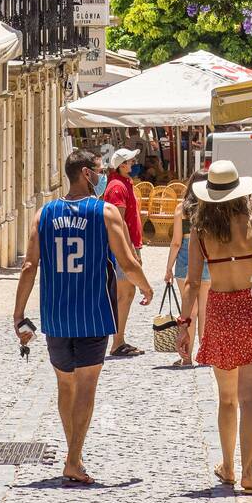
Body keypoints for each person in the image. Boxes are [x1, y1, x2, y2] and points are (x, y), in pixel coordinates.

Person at [13, 149, 152, 484]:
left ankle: (73, 452)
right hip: (92, 312)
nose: (103, 176)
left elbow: (30, 266)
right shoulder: (104, 212)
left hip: (56, 314)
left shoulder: (43, 215)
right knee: (87, 386)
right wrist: (146, 288)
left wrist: (18, 314)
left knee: (65, 384)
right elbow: (128, 261)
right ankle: (73, 459)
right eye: (101, 171)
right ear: (88, 173)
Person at [177, 159, 252, 494]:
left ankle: (227, 467)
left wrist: (185, 325)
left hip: (221, 313)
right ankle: (249, 473)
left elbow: (192, 282)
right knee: (249, 399)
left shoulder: (200, 232)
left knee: (226, 399)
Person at [103, 147, 145, 357]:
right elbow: (118, 223)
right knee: (124, 293)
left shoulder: (123, 184)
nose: (133, 163)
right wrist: (130, 251)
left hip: (130, 245)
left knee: (127, 293)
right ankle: (117, 342)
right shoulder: (117, 187)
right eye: (130, 161)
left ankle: (119, 339)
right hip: (124, 248)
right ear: (121, 165)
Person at [165, 185, 209, 366]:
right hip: (207, 258)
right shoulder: (210, 208)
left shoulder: (181, 208)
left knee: (189, 309)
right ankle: (205, 355)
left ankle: (187, 357)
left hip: (185, 258)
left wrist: (168, 268)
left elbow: (176, 242)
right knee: (205, 310)